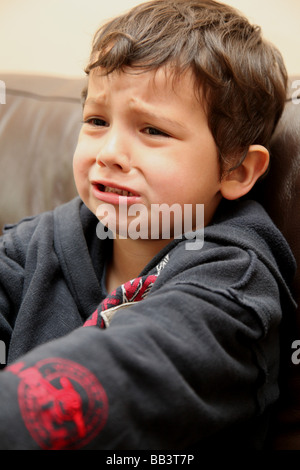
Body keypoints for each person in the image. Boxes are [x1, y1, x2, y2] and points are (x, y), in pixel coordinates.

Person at [0, 0, 296, 450]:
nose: (109, 152)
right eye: (97, 121)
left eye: (153, 130)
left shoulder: (235, 287)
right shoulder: (30, 246)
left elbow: (137, 366)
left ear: (236, 170)